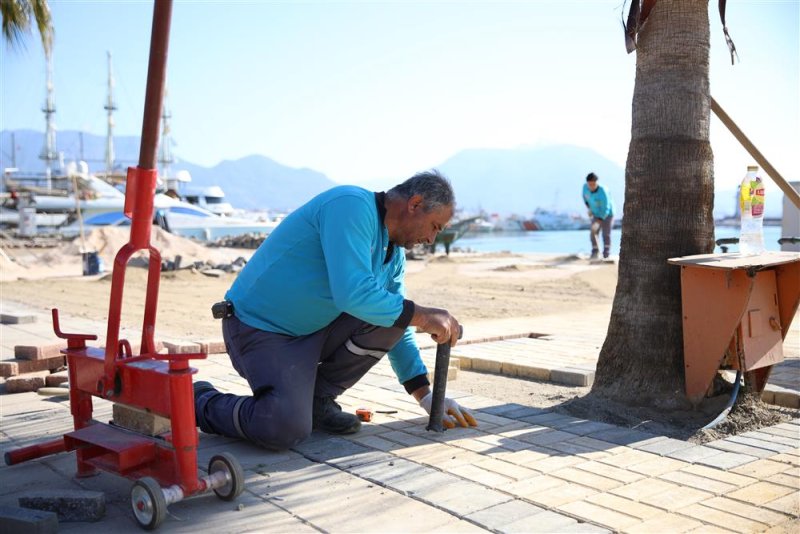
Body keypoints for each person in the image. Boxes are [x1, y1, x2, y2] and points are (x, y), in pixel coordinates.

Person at [194, 170, 478, 450]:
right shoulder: (350, 205)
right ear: (415, 204)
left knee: (395, 314)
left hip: (312, 331)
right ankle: (199, 400)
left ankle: (318, 401)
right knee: (283, 427)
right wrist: (425, 316)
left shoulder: (394, 255)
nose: (431, 239)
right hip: (258, 329)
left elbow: (396, 322)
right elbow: (353, 293)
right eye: (435, 226)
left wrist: (427, 398)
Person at [582, 172, 614, 259]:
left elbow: (607, 207)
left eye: (593, 184)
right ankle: (595, 251)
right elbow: (585, 198)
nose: (591, 186)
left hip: (608, 214)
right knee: (593, 231)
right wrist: (589, 208)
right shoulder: (585, 187)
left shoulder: (603, 191)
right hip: (595, 213)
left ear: (597, 182)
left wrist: (600, 220)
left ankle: (606, 253)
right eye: (590, 184)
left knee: (606, 233)